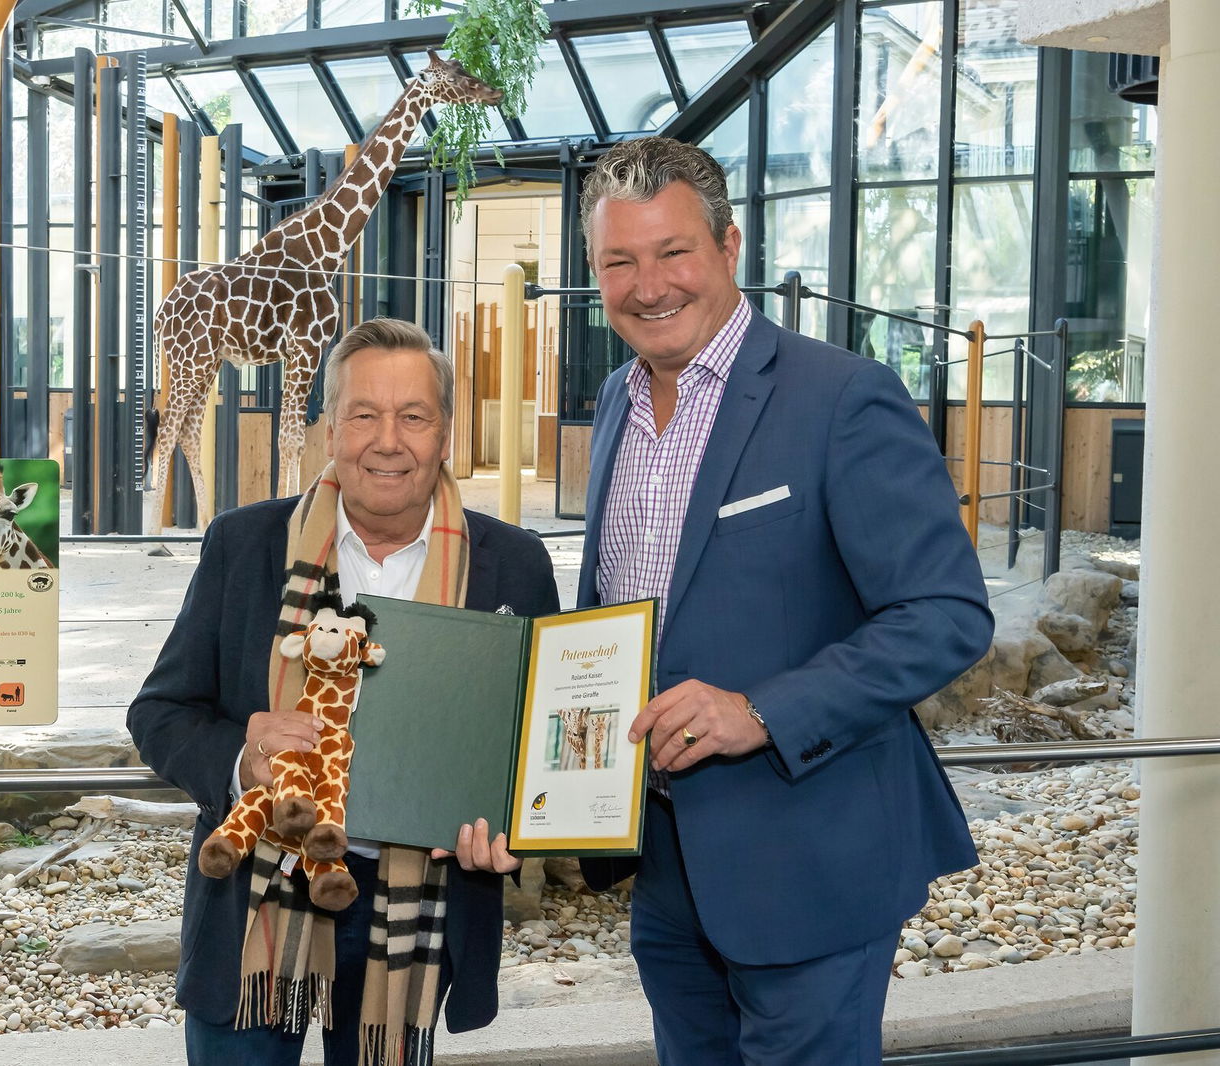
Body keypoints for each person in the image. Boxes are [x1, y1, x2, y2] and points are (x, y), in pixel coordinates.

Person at [575, 136, 993, 1064]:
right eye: (619, 261)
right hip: (663, 862)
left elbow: (946, 613)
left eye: (673, 252)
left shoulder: (844, 396)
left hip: (812, 857)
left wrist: (760, 710)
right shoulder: (615, 402)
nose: (649, 286)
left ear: (729, 248)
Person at [127, 317, 560, 1066]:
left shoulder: (513, 566)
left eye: (413, 416)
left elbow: (543, 748)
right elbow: (160, 713)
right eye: (363, 415)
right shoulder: (245, 545)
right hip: (263, 901)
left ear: (447, 433)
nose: (387, 440)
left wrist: (517, 829)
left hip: (416, 910)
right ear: (329, 430)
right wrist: (242, 761)